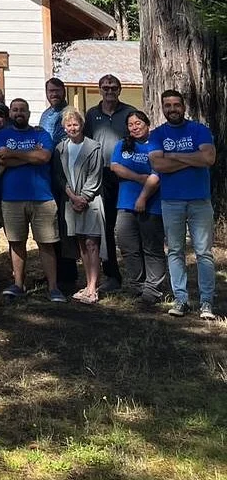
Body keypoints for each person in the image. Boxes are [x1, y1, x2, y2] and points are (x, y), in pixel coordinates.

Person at [148, 89, 217, 319]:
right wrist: (191, 159)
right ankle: (181, 299)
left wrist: (174, 156)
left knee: (203, 253)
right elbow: (159, 165)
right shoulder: (157, 134)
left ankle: (206, 302)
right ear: (162, 108)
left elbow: (208, 158)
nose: (172, 109)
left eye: (176, 105)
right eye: (167, 105)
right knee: (175, 251)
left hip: (199, 200)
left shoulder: (199, 130)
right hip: (171, 201)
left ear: (183, 106)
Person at [0, 98, 65, 301]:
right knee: (16, 242)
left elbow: (44, 158)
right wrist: (31, 155)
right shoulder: (1, 135)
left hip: (42, 198)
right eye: (15, 110)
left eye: (22, 110)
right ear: (10, 114)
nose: (18, 113)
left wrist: (13, 154)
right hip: (12, 198)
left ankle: (53, 287)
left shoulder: (41, 133)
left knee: (47, 243)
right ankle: (18, 284)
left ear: (29, 113)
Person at [83, 74, 135, 288]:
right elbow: (85, 143)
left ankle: (137, 276)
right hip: (100, 175)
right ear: (100, 89)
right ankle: (112, 275)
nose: (110, 91)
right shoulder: (92, 114)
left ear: (120, 90)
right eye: (105, 88)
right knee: (105, 226)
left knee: (128, 225)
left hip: (125, 174)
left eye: (113, 87)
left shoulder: (129, 112)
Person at [110, 108, 166, 306]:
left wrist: (142, 197)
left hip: (151, 204)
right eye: (131, 124)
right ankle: (137, 285)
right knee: (128, 246)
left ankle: (153, 289)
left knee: (151, 248)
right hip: (125, 203)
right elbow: (115, 167)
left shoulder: (156, 146)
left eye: (138, 123)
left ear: (147, 124)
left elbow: (157, 174)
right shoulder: (123, 145)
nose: (134, 127)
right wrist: (139, 177)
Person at [51, 109, 106, 303]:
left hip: (90, 203)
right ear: (64, 127)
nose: (72, 128)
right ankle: (88, 283)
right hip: (70, 202)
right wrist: (72, 197)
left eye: (76, 124)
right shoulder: (60, 148)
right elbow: (59, 176)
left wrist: (83, 198)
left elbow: (95, 175)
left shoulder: (94, 147)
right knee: (81, 243)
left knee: (92, 243)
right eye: (69, 125)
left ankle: (93, 287)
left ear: (82, 125)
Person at [39, 77, 69, 146]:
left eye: (58, 90)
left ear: (64, 92)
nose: (54, 94)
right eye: (51, 91)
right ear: (46, 93)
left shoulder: (71, 114)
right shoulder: (45, 114)